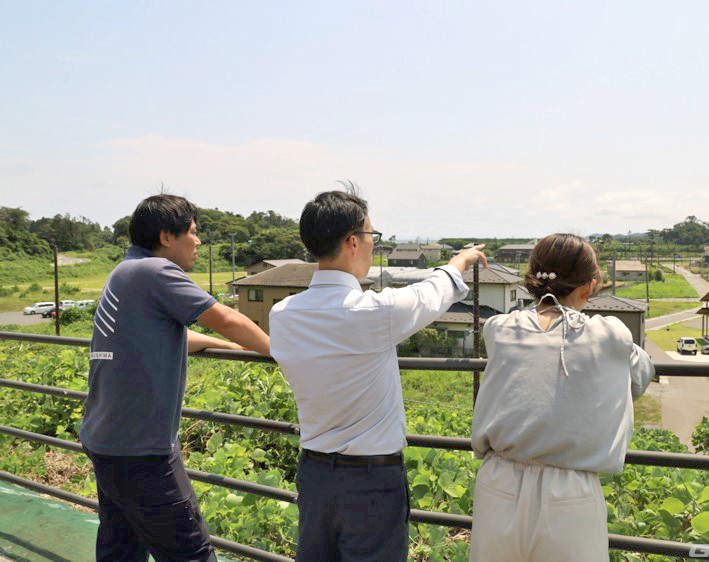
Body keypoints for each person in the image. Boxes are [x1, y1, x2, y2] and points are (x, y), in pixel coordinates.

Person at [269, 184, 487, 561]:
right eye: (372, 235)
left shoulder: (283, 314)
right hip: (372, 480)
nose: (374, 244)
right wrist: (461, 261)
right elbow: (431, 294)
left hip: (315, 473)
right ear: (353, 242)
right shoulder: (374, 313)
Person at [79, 194, 271, 562]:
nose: (198, 242)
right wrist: (277, 349)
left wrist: (231, 349)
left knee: (121, 549)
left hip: (106, 441)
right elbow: (228, 319)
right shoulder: (157, 271)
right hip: (143, 452)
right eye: (193, 233)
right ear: (167, 237)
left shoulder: (125, 271)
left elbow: (170, 334)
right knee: (191, 554)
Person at [470, 233, 654, 562]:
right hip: (570, 492)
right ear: (590, 285)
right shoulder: (609, 334)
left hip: (497, 482)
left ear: (532, 280)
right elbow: (640, 376)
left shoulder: (498, 328)